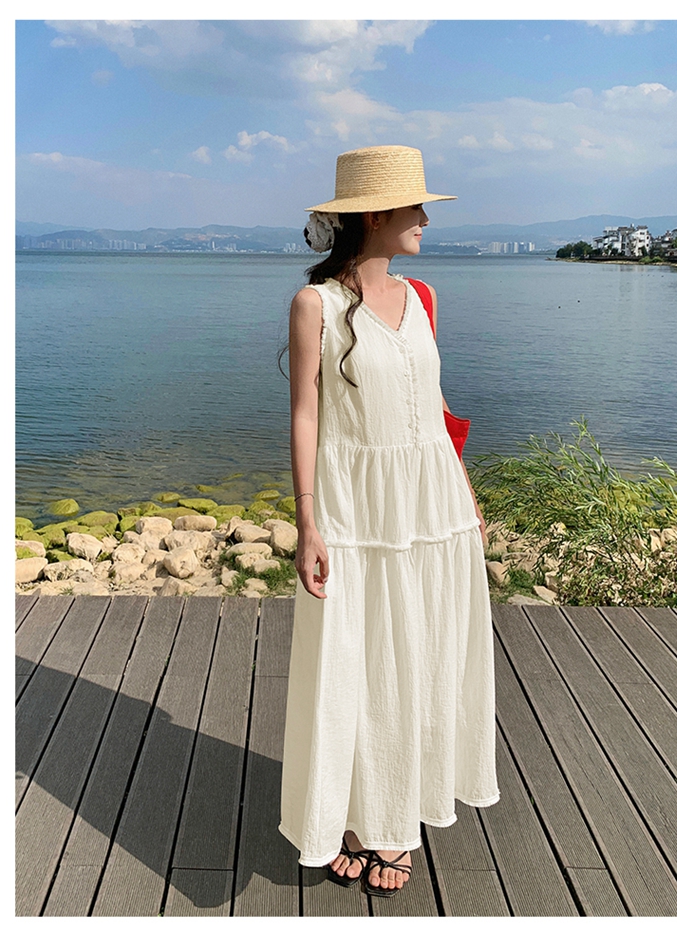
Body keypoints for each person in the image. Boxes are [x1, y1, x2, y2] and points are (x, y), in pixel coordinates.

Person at [278, 145, 499, 898]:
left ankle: (397, 818)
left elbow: (433, 406)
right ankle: (352, 813)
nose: (426, 219)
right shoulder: (317, 306)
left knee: (422, 657)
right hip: (355, 510)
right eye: (415, 206)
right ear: (375, 215)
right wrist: (308, 524)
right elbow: (305, 415)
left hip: (432, 508)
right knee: (355, 663)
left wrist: (465, 494)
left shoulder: (424, 296)